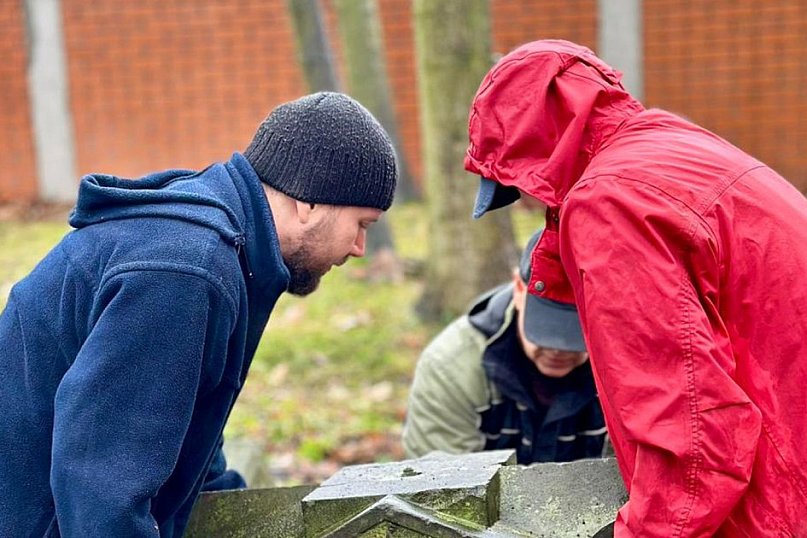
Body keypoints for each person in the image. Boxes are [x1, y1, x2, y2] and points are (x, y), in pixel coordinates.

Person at [0, 92, 397, 537]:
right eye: (361, 224)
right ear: (309, 203)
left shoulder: (223, 248)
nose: (359, 249)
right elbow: (99, 488)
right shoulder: (185, 271)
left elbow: (187, 435)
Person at [465, 39, 807, 536]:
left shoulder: (610, 201)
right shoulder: (669, 145)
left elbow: (693, 440)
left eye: (520, 184)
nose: (525, 202)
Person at [403, 228, 606, 464]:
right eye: (545, 329)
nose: (557, 349)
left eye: (573, 332)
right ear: (519, 290)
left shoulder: (630, 366)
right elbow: (439, 488)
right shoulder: (450, 368)